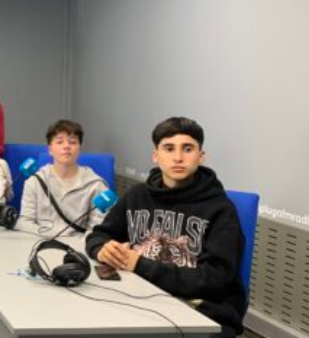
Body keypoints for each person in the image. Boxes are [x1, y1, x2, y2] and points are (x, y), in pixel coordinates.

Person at [85, 117, 245, 338]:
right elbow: (100, 235)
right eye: (169, 148)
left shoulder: (221, 209)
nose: (178, 157)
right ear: (155, 156)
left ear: (200, 157)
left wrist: (139, 264)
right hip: (142, 300)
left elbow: (214, 280)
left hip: (201, 312)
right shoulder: (137, 195)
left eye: (187, 149)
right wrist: (102, 249)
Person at [19, 120, 108, 236]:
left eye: (72, 142)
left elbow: (96, 231)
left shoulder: (96, 185)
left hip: (78, 244)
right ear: (50, 150)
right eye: (59, 142)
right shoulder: (35, 182)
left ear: (79, 148)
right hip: (41, 241)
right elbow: (25, 223)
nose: (66, 146)